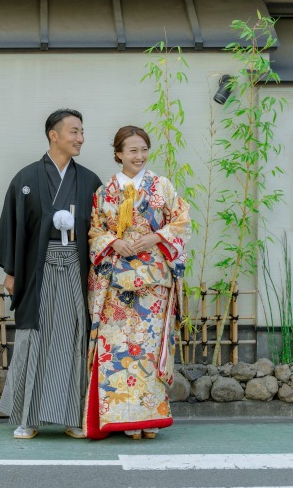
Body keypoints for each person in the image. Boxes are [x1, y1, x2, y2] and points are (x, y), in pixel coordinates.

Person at [0, 109, 102, 439]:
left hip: (75, 269)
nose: (80, 138)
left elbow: (100, 232)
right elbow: (13, 228)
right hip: (38, 271)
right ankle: (29, 417)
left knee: (73, 338)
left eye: (82, 132)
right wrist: (11, 272)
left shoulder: (90, 181)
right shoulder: (25, 180)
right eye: (74, 132)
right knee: (33, 339)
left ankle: (72, 417)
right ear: (54, 135)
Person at [82, 125, 191, 440]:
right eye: (132, 150)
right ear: (118, 154)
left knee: (145, 351)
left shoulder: (163, 187)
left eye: (143, 149)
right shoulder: (105, 192)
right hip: (116, 285)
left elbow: (182, 222)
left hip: (153, 283)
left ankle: (147, 418)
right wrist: (112, 243)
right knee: (116, 350)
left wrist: (155, 237)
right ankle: (120, 418)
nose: (139, 156)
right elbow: (94, 229)